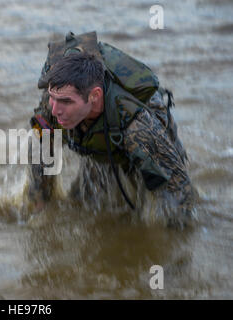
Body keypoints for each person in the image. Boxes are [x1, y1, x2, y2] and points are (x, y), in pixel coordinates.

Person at [26, 34, 197, 227]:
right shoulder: (55, 100)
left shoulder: (139, 129)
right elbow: (40, 149)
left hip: (142, 144)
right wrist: (39, 207)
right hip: (98, 142)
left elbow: (179, 192)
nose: (55, 110)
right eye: (52, 97)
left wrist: (167, 240)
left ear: (94, 96)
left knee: (155, 214)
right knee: (82, 203)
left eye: (66, 102)